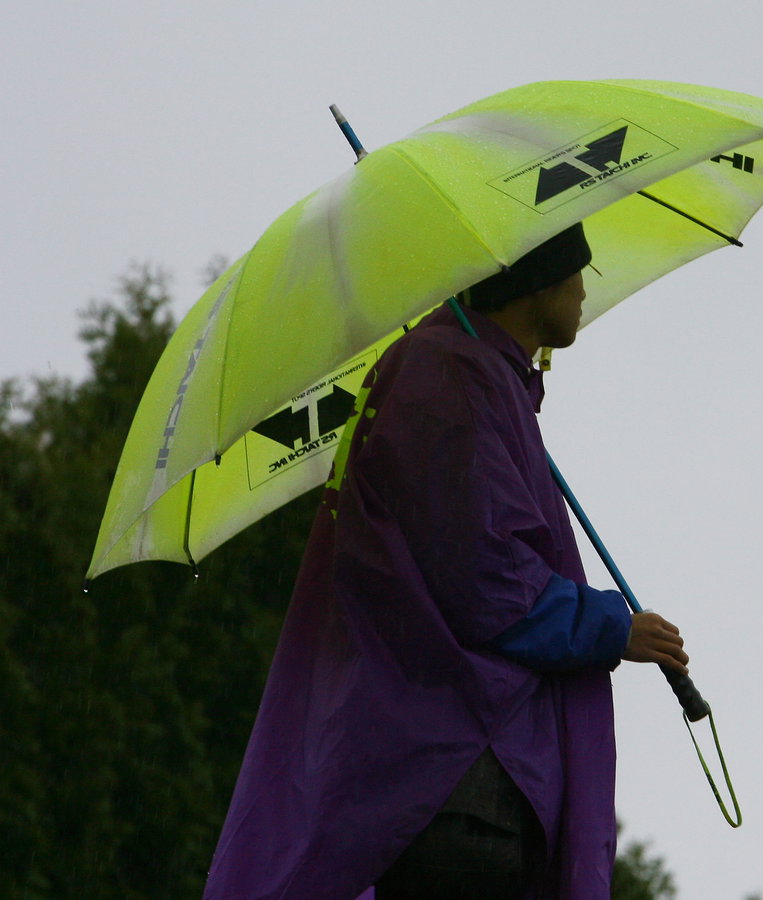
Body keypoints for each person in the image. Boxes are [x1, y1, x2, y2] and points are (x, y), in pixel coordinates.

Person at [202, 223, 689, 900]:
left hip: (467, 778)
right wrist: (612, 627)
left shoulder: (472, 375)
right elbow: (485, 579)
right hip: (463, 772)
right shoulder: (450, 375)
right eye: (576, 269)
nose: (585, 289)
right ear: (538, 283)